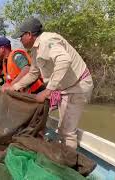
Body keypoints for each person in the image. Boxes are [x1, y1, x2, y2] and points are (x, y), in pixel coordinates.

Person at [10, 17, 94, 149]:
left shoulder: (48, 40)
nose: (19, 40)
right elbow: (33, 73)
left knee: (67, 132)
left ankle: (67, 162)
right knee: (54, 123)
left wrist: (48, 90)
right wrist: (14, 87)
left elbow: (64, 60)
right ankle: (59, 147)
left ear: (29, 34)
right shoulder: (35, 50)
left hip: (78, 85)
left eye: (21, 36)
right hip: (64, 88)